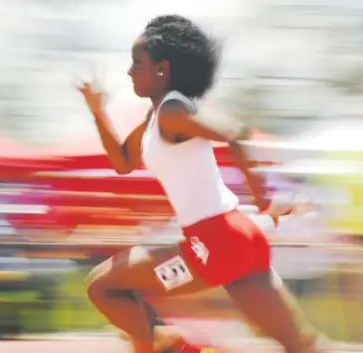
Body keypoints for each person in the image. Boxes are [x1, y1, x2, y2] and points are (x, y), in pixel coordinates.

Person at [76, 14, 322, 353]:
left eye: (137, 63)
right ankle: (167, 344)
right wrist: (98, 112)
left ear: (161, 69)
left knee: (103, 288)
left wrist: (263, 199)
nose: (129, 71)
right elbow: (123, 162)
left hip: (214, 244)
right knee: (303, 345)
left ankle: (173, 346)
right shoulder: (155, 117)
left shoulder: (172, 111)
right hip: (239, 240)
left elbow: (235, 134)